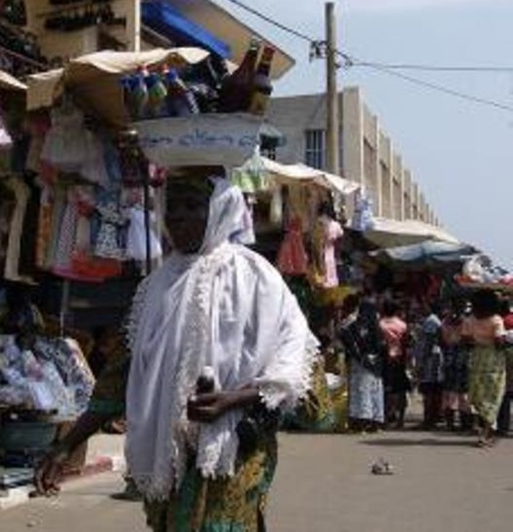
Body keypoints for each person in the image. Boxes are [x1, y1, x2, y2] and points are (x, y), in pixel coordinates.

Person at [36, 171, 318, 531]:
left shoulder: (255, 277)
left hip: (233, 454)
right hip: (169, 455)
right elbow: (119, 378)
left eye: (193, 205)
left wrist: (232, 399)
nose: (179, 216)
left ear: (218, 209)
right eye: (172, 207)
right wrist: (67, 445)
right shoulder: (154, 288)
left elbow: (295, 369)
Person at [465, 289, 507, 447]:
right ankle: (486, 433)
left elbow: (466, 341)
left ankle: (483, 430)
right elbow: (499, 342)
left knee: (480, 396)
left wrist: (478, 340)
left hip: (476, 359)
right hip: (493, 360)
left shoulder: (470, 320)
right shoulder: (496, 320)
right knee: (493, 397)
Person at [338, 294, 385, 432]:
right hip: (375, 360)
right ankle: (376, 422)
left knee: (361, 390)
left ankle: (362, 422)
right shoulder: (373, 322)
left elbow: (350, 342)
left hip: (362, 361)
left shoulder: (354, 324)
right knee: (375, 391)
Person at [442, 301, 472, 431]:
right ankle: (463, 424)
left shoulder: (445, 324)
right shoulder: (467, 323)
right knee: (461, 391)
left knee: (452, 391)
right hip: (460, 360)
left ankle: (452, 424)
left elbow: (443, 341)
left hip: (452, 360)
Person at [380, 300, 410, 428]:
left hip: (385, 359)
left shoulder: (379, 324)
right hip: (399, 358)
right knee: (401, 389)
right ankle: (401, 419)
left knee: (386, 389)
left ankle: (386, 418)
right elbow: (406, 343)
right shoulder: (402, 325)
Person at [414, 303, 444, 429]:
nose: (419, 309)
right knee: (432, 389)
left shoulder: (431, 321)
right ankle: (431, 419)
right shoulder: (430, 320)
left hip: (431, 359)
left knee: (429, 390)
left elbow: (429, 342)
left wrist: (422, 362)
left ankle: (429, 420)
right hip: (431, 358)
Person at [495, 301, 513, 437]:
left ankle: (503, 427)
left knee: (505, 395)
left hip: (505, 359)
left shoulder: (501, 320)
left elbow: (499, 341)